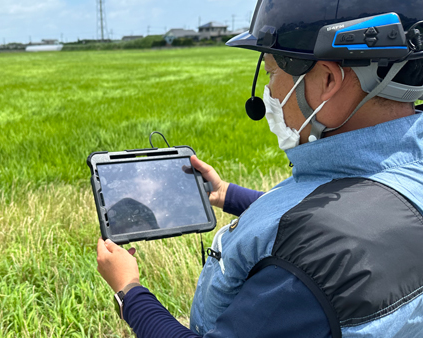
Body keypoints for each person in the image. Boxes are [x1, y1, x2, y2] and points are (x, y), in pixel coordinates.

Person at [96, 1, 423, 337]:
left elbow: (315, 238)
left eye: (271, 72)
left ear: (327, 80)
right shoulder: (404, 176)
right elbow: (352, 211)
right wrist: (227, 194)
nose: (268, 92)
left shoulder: (310, 263)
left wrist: (129, 290)